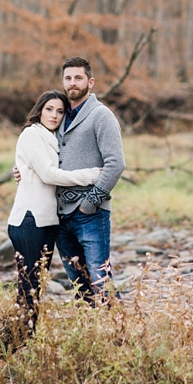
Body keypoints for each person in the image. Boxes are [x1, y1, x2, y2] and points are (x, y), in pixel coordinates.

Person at [6, 90, 102, 332]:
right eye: (49, 109)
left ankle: (28, 338)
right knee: (29, 286)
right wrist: (92, 175)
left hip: (49, 222)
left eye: (60, 111)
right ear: (39, 110)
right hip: (29, 220)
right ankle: (20, 340)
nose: (54, 115)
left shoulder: (54, 138)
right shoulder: (31, 134)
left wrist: (20, 169)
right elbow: (49, 174)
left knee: (37, 284)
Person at [54, 57, 126, 304]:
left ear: (90, 82)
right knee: (79, 284)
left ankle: (120, 325)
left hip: (91, 215)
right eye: (68, 78)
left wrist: (90, 202)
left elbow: (116, 163)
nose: (72, 83)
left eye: (78, 77)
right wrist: (20, 169)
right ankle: (91, 326)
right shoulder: (58, 115)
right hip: (60, 215)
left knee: (100, 280)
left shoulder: (101, 115)